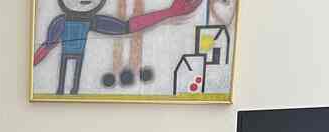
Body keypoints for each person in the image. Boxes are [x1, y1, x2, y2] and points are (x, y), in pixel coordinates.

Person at [34, 0, 203, 95]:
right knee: (64, 75)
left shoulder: (92, 20)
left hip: (77, 58)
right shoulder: (60, 22)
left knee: (74, 79)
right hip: (66, 59)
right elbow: (46, 47)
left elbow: (127, 27)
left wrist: (169, 12)